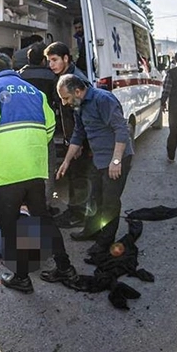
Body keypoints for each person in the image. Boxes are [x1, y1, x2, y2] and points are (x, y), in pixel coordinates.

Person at [0, 52, 77, 294]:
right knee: (43, 219)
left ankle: (20, 277)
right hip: (34, 168)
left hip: (8, 170)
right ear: (11, 68)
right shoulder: (33, 91)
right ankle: (65, 267)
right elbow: (50, 127)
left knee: (8, 226)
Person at [56, 74, 134, 252]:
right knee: (94, 197)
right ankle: (91, 231)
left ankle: (105, 241)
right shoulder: (78, 105)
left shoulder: (102, 99)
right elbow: (78, 133)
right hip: (99, 159)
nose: (65, 103)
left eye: (66, 98)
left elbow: (121, 130)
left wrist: (116, 161)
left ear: (77, 91)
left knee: (110, 201)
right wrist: (66, 161)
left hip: (116, 158)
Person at [44, 42, 91, 228]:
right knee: (74, 175)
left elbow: (82, 116)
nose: (51, 65)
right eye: (49, 61)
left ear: (66, 58)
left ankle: (79, 215)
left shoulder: (76, 80)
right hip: (71, 136)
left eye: (54, 60)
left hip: (79, 138)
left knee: (79, 176)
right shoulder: (64, 76)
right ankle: (74, 211)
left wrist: (78, 142)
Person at [18, 42, 60, 209]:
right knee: (48, 167)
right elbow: (58, 102)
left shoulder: (19, 76)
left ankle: (25, 203)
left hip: (22, 129)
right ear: (44, 60)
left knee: (26, 166)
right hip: (44, 128)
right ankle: (46, 205)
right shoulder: (51, 77)